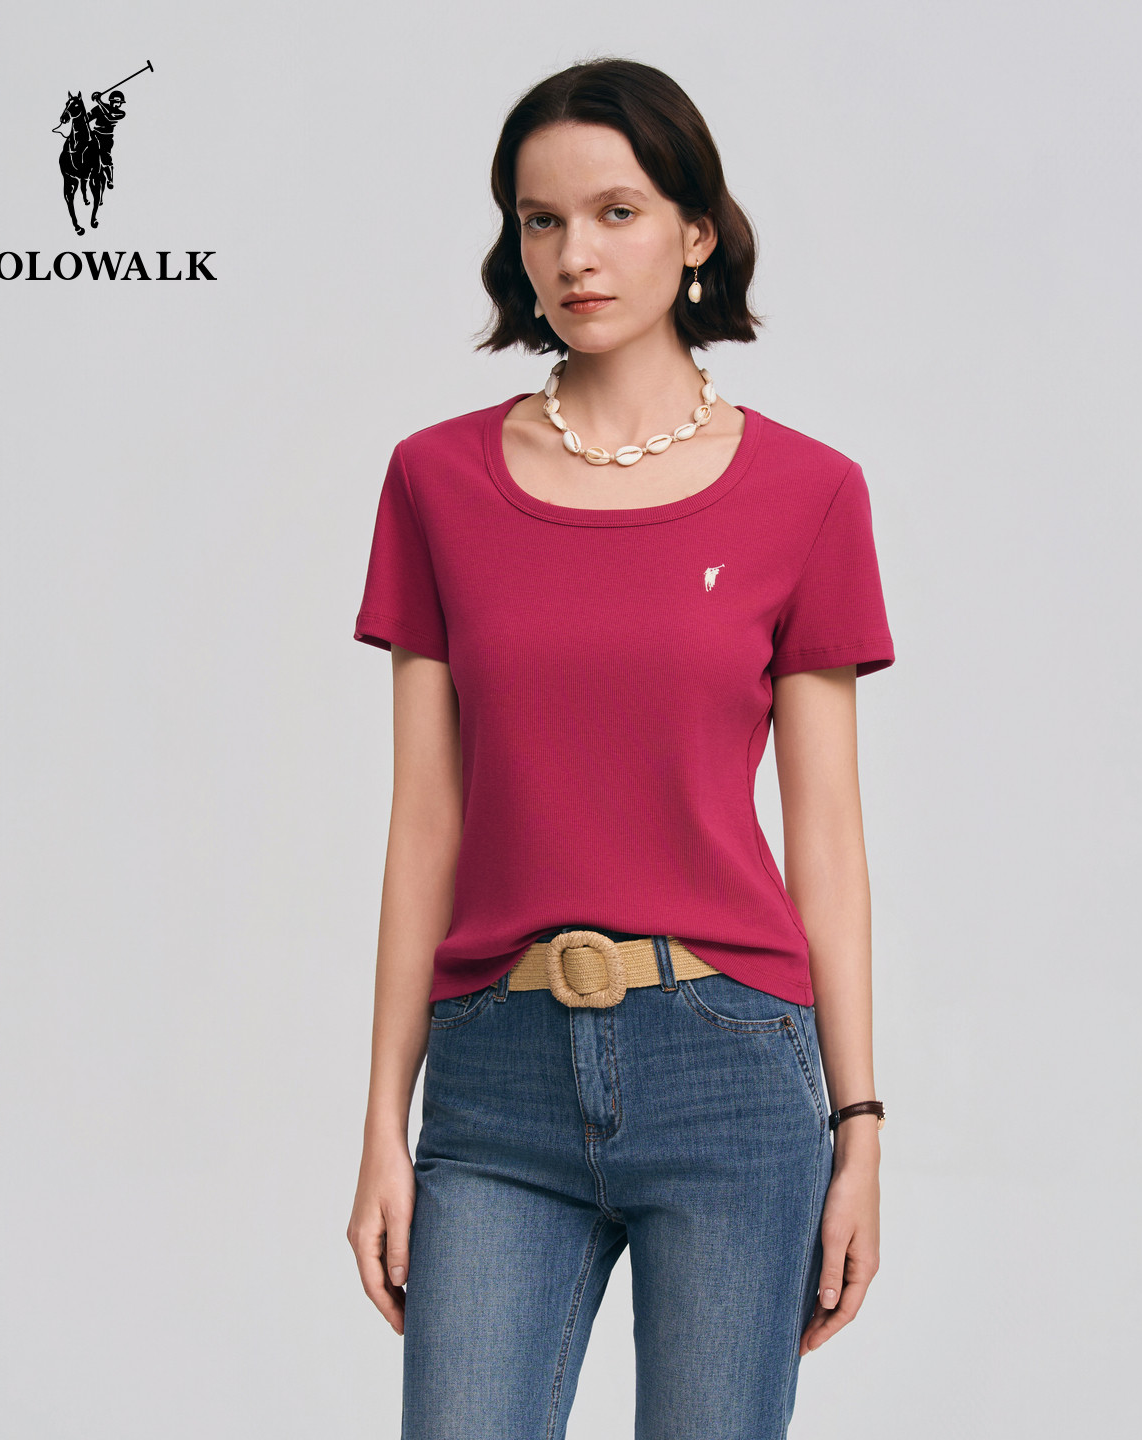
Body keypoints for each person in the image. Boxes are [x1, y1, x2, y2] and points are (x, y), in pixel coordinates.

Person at [346, 57, 895, 1439]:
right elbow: (425, 825)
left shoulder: (809, 494)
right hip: (495, 1076)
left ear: (696, 231)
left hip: (730, 1066)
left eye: (616, 212)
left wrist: (861, 1128)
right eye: (541, 221)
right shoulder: (436, 483)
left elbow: (827, 837)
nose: (574, 255)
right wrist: (382, 1130)